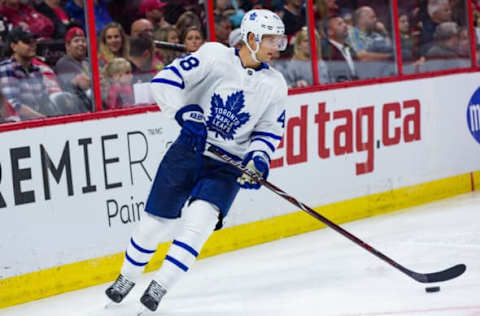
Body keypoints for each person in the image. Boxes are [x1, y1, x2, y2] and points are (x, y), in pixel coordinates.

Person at [105, 8, 288, 313]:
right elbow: (164, 82)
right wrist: (185, 113)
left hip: (227, 165)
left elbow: (269, 131)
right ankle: (128, 276)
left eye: (279, 41)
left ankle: (159, 286)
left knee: (199, 225)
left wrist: (259, 158)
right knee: (154, 226)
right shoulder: (214, 56)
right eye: (272, 40)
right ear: (252, 38)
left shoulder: (275, 84)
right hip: (190, 148)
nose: (277, 47)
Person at [0, 28, 51, 119]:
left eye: (34, 41)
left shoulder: (36, 70)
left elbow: (45, 102)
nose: (32, 45)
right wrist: (45, 119)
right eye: (27, 41)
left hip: (39, 123)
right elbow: (14, 107)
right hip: (18, 127)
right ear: (14, 46)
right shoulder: (6, 68)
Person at [54, 27, 92, 111]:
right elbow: (84, 84)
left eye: (83, 41)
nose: (81, 44)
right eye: (76, 41)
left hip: (90, 104)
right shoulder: (63, 63)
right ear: (67, 46)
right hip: (76, 107)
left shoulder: (89, 61)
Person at [321, 15, 358, 82]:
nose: (345, 25)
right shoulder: (325, 50)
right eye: (340, 24)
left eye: (344, 22)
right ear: (330, 31)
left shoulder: (349, 48)